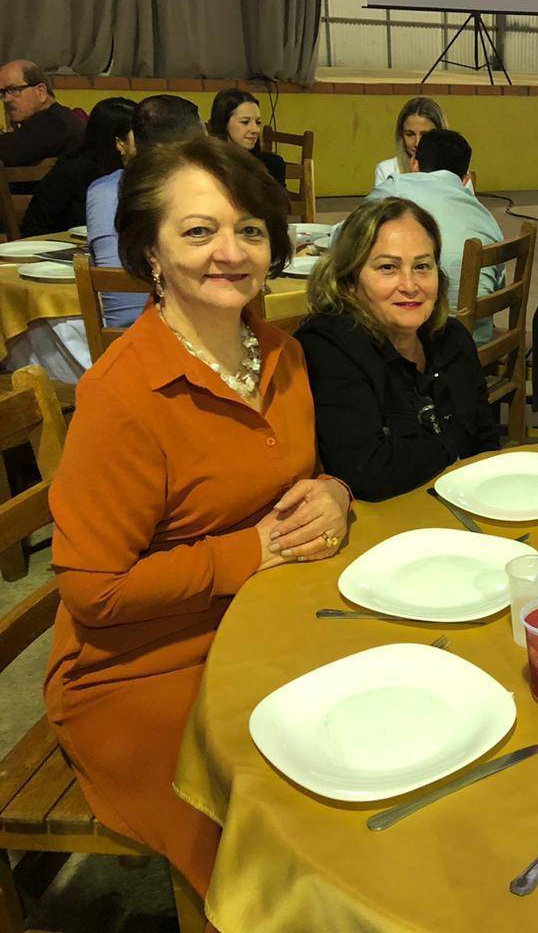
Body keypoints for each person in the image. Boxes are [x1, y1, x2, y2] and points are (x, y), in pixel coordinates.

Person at [44, 135, 352, 900]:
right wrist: (251, 552)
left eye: (250, 229)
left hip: (265, 621)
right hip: (143, 667)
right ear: (150, 251)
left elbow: (295, 478)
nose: (231, 252)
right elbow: (94, 590)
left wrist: (334, 493)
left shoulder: (280, 355)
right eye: (199, 230)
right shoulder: (123, 396)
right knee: (286, 828)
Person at [296, 198, 499, 501]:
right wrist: (451, 443)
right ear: (350, 281)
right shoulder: (329, 347)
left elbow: (486, 440)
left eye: (422, 266)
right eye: (388, 267)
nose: (410, 285)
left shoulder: (452, 339)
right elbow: (367, 473)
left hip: (464, 506)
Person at [366, 129, 503, 344]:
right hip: (475, 341)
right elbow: (497, 285)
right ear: (465, 179)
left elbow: (347, 240)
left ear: (414, 164)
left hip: (404, 340)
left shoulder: (393, 189)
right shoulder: (486, 219)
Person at [86, 94, 205, 327]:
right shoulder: (199, 188)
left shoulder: (100, 190)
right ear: (196, 141)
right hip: (187, 332)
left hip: (118, 336)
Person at [20, 97, 135, 237]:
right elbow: (35, 226)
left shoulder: (139, 169)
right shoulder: (75, 170)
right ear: (119, 142)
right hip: (60, 244)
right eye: (139, 133)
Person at [0, 60, 84, 167]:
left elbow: (9, 152)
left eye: (14, 89)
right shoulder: (60, 116)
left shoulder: (52, 122)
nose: (6, 99)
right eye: (2, 93)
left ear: (41, 91)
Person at [209, 89, 286, 188]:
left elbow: (279, 198)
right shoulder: (208, 166)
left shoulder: (272, 165)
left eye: (258, 122)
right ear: (223, 123)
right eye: (245, 122)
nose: (255, 130)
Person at [374, 97, 447, 188]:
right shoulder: (386, 170)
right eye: (410, 134)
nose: (417, 143)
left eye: (425, 135)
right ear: (401, 135)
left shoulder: (456, 169)